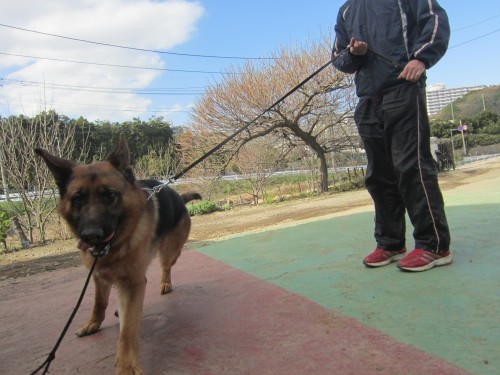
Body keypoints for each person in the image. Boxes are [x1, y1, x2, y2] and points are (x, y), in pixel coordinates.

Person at [331, 0, 452, 272]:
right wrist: (356, 53)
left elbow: (435, 22)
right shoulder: (347, 9)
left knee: (412, 168)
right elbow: (339, 59)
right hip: (368, 97)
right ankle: (391, 243)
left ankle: (434, 246)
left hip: (404, 88)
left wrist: (421, 58)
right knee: (379, 175)